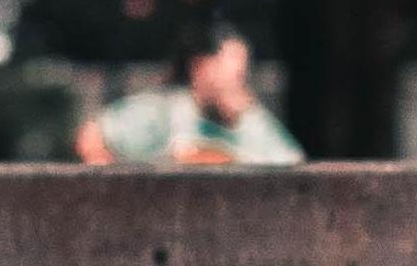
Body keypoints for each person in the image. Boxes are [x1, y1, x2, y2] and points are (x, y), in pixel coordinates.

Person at [75, 21, 302, 167]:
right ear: (200, 68)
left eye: (241, 78)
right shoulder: (164, 113)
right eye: (231, 76)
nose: (236, 86)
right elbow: (92, 135)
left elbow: (294, 168)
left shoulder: (253, 123)